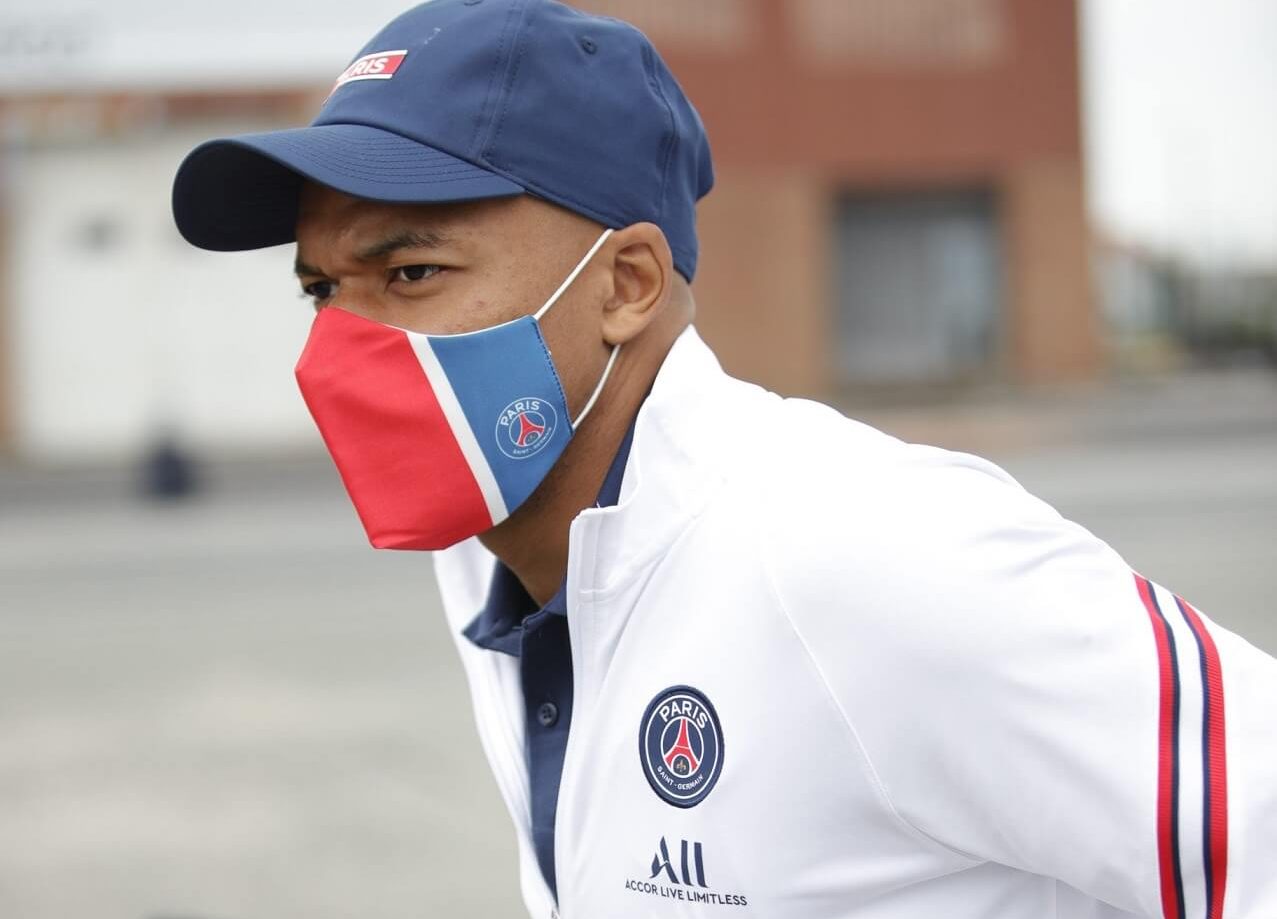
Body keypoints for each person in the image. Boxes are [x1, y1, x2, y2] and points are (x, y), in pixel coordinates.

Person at [171, 1, 1277, 917]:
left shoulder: (866, 553)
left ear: (627, 285)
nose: (342, 345)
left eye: (410, 273)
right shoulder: (493, 554)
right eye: (322, 290)